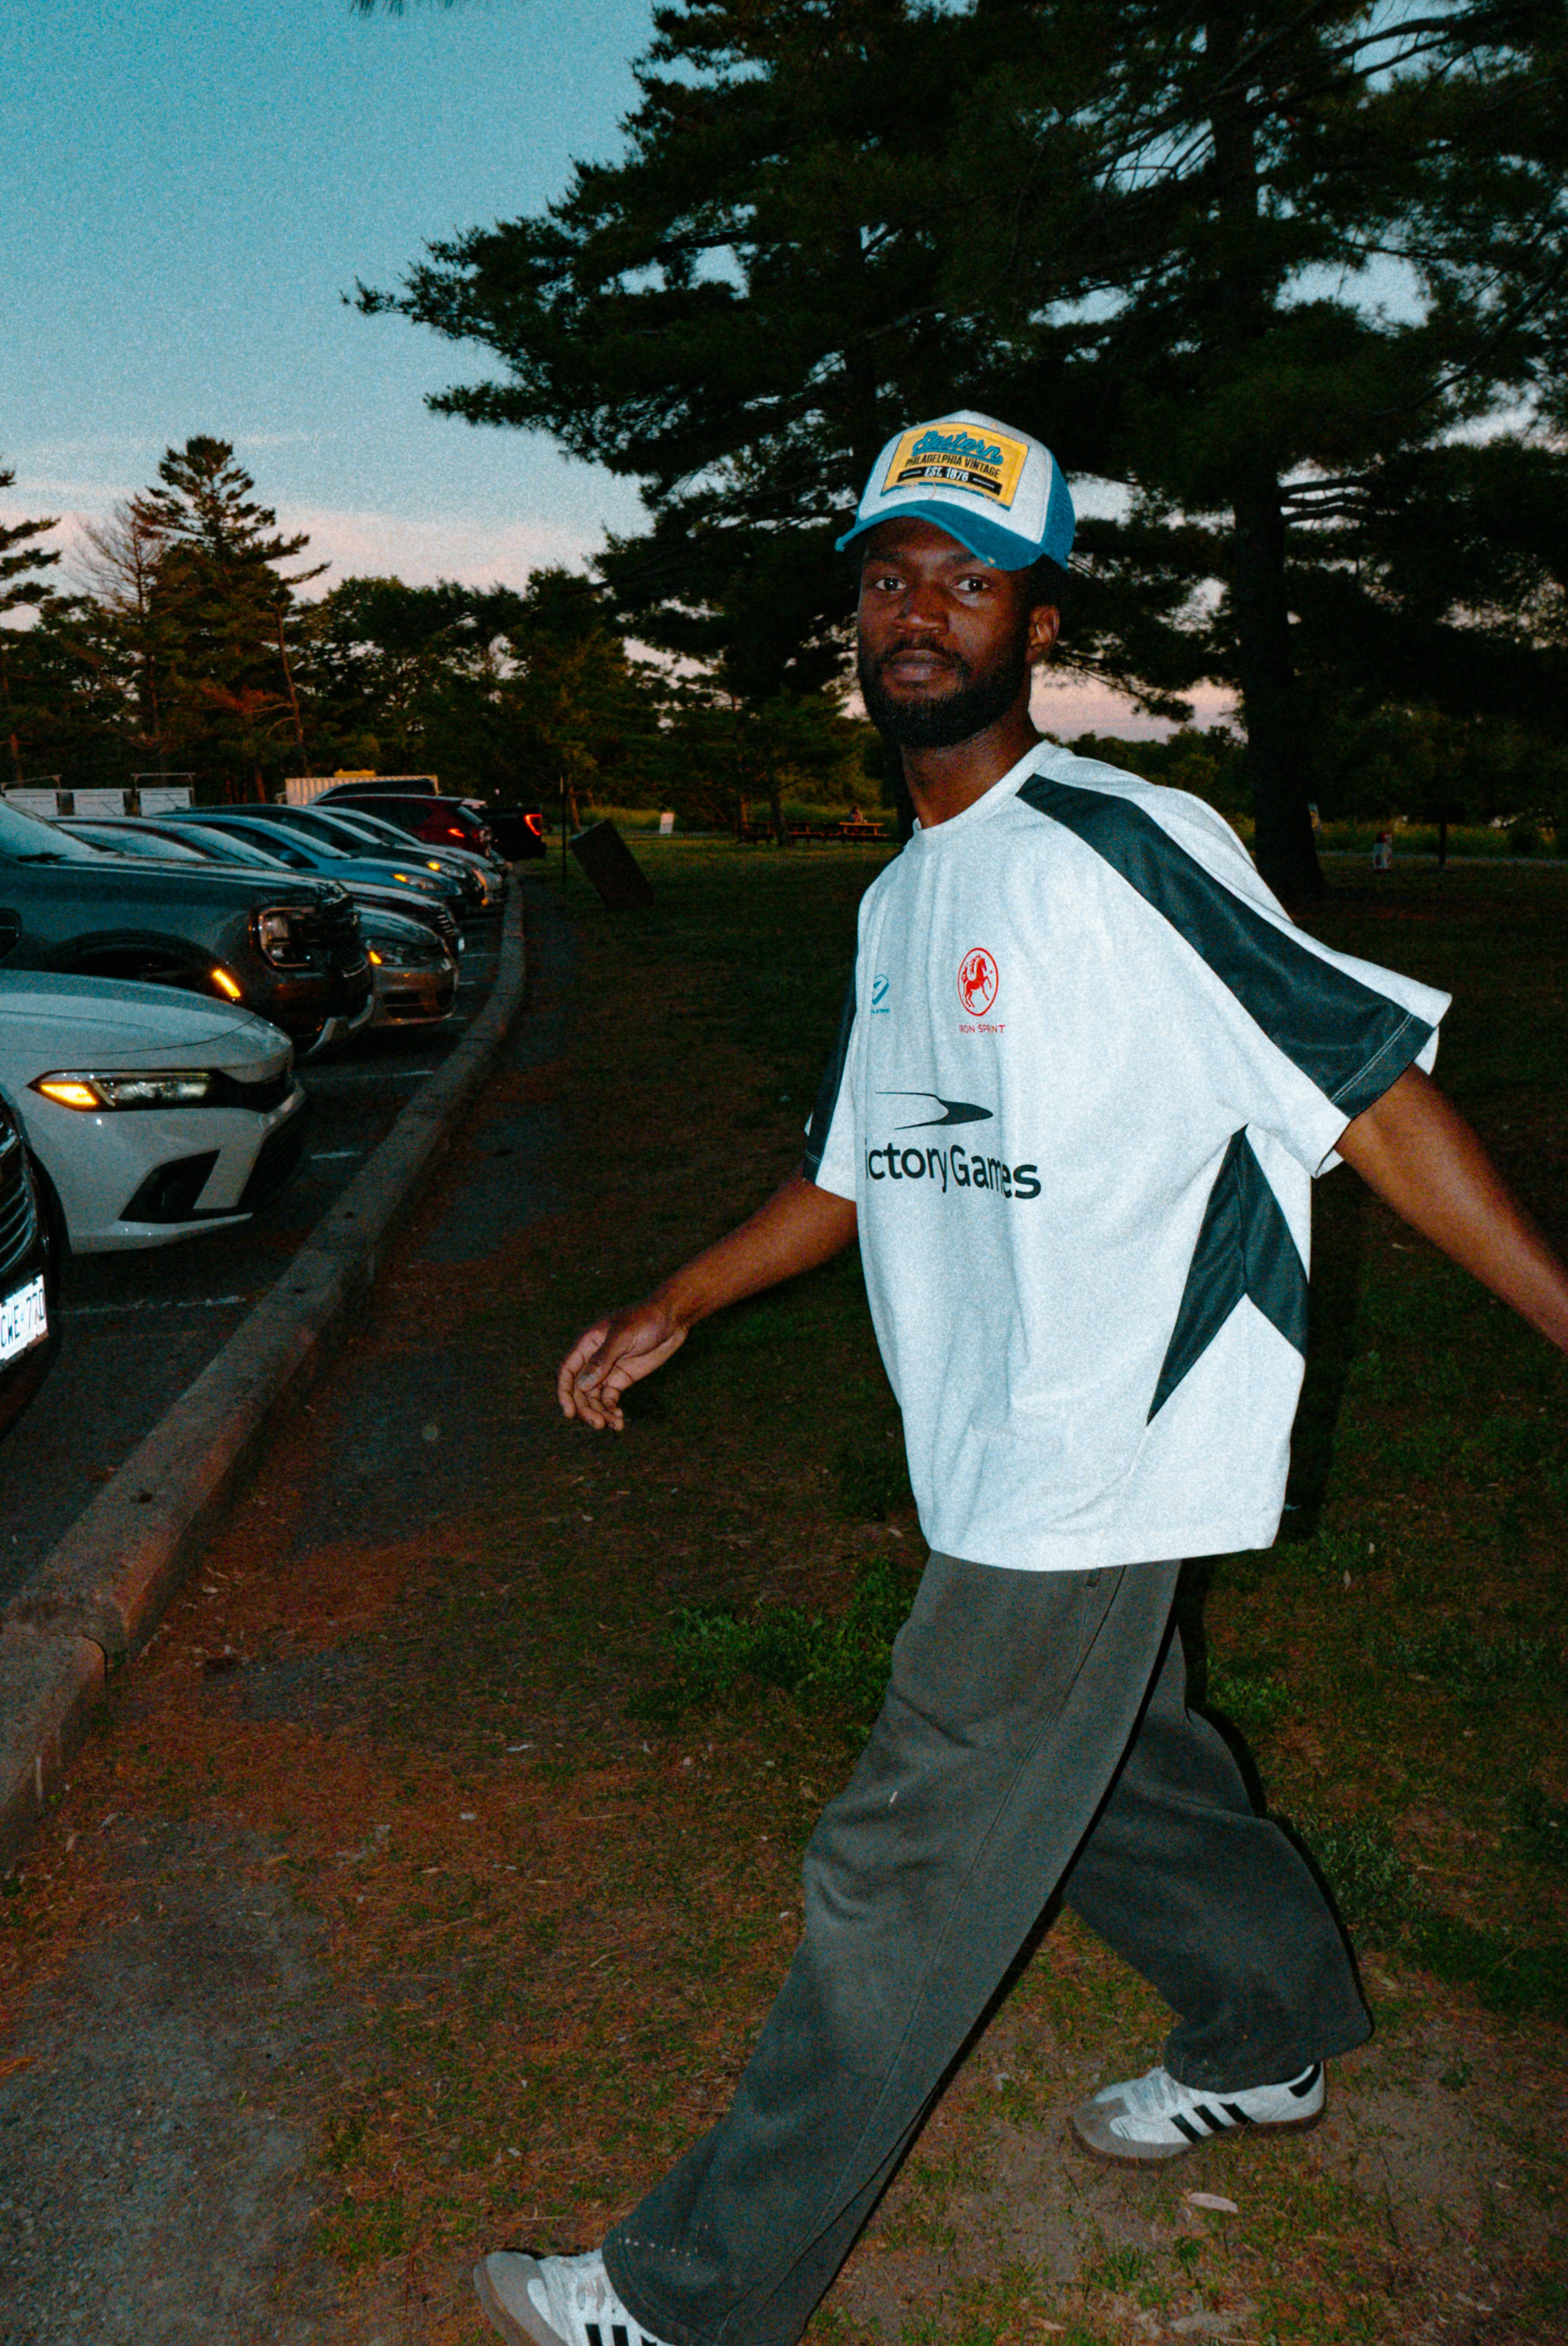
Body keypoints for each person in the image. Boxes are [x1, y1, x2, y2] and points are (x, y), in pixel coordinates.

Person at [474, 411, 1568, 2346]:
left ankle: (686, 2297)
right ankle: (1271, 2031)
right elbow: (848, 1164)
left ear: (1035, 620)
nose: (921, 612)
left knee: (904, 1864)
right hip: (998, 1441)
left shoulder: (1122, 844)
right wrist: (680, 1302)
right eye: (889, 579)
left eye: (966, 580)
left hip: (1105, 1435)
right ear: (858, 622)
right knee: (1130, 1768)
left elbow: (1368, 1093)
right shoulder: (906, 897)